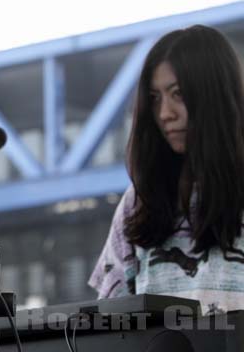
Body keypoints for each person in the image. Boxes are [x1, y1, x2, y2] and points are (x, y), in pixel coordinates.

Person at [89, 25, 244, 316]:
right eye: (156, 98)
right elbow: (110, 324)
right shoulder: (139, 201)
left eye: (179, 94)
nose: (165, 114)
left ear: (216, 95)